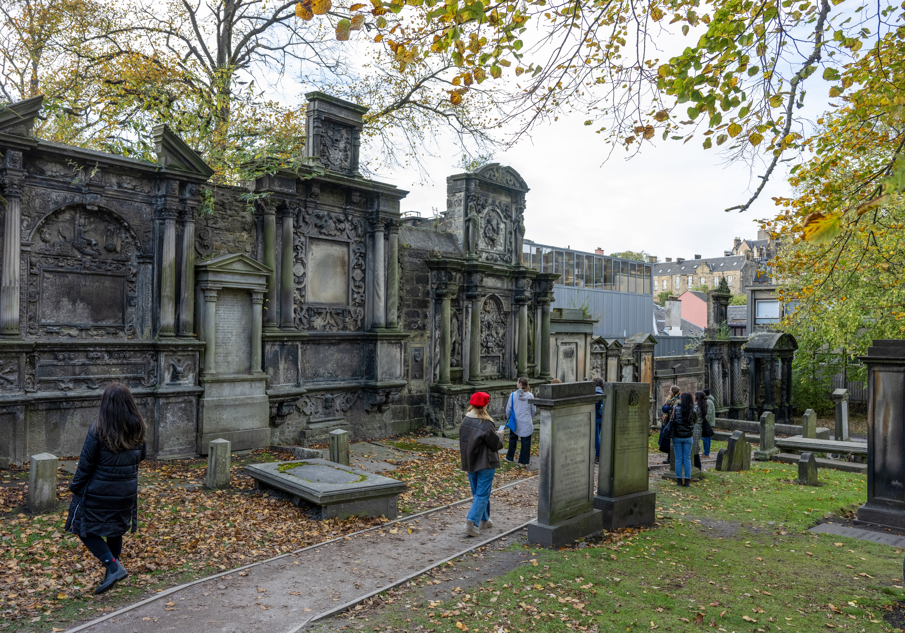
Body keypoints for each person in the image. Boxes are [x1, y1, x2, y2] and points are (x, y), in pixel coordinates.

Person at [65, 383, 147, 594]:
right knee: (115, 528)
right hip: (126, 492)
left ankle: (112, 566)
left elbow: (86, 463)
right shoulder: (139, 427)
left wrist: (75, 487)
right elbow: (142, 456)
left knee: (81, 528)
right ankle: (114, 569)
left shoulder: (98, 428)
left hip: (99, 491)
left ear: (106, 404)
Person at [459, 392, 504, 537]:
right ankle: (471, 523)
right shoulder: (485, 423)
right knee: (482, 494)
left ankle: (484, 519)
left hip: (470, 462)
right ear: (485, 405)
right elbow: (495, 444)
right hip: (485, 462)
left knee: (478, 493)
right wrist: (500, 435)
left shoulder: (465, 421)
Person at [505, 377, 536, 467]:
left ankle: (510, 457)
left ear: (520, 384)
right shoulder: (530, 395)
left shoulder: (513, 395)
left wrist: (509, 418)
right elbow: (533, 410)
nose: (517, 383)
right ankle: (524, 461)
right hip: (526, 421)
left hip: (515, 421)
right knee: (525, 442)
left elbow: (508, 408)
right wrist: (529, 417)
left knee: (512, 439)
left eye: (517, 382)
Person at [672, 392, 697, 486]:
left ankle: (679, 480)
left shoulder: (675, 409)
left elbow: (673, 421)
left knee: (678, 458)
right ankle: (687, 481)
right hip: (688, 437)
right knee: (687, 459)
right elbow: (695, 421)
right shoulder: (693, 410)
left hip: (677, 436)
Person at [658, 386, 681, 464]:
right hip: (667, 421)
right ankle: (669, 457)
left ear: (674, 391)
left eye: (670, 390)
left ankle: (671, 458)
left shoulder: (677, 400)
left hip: (671, 421)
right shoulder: (669, 399)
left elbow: (672, 408)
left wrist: (668, 408)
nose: (669, 391)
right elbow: (664, 408)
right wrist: (668, 407)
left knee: (670, 440)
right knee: (666, 439)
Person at [692, 391, 706, 470]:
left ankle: (697, 466)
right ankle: (697, 465)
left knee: (694, 446)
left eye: (695, 396)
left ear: (697, 397)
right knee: (695, 445)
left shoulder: (697, 407)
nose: (694, 397)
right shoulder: (702, 406)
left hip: (696, 427)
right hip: (699, 426)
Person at [593, 377, 605, 462]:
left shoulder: (594, 393)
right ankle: (600, 454)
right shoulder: (603, 392)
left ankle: (598, 456)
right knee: (599, 436)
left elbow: (595, 407)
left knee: (596, 437)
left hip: (595, 417)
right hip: (602, 417)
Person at [702, 388, 716, 457]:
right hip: (707, 422)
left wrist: (704, 421)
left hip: (707, 422)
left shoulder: (709, 401)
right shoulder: (707, 400)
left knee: (705, 438)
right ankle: (706, 452)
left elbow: (709, 413)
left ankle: (706, 453)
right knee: (707, 437)